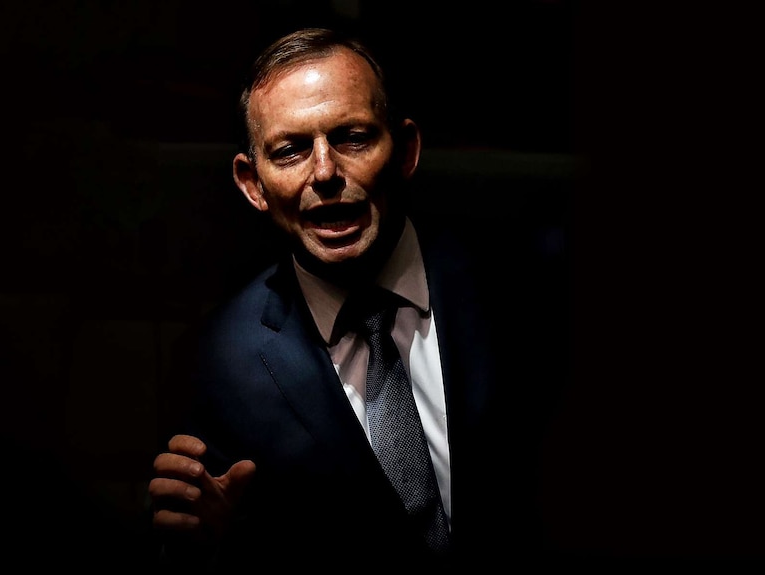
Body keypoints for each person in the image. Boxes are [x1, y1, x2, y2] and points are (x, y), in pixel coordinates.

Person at [148, 26, 569, 572]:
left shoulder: (525, 291)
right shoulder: (220, 364)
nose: (324, 172)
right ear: (252, 183)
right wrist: (207, 545)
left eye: (352, 138)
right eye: (291, 149)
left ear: (406, 150)